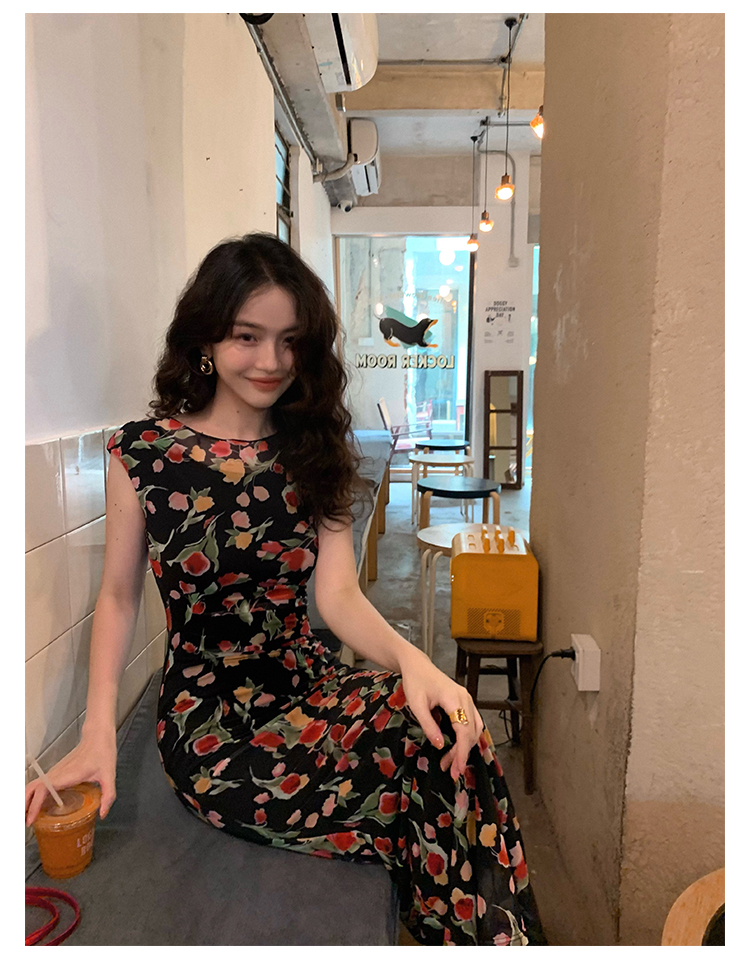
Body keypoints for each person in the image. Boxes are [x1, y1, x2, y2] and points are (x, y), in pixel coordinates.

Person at [25, 233, 545, 946]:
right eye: (248, 336)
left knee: (452, 731)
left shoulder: (313, 449)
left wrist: (414, 662)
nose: (270, 361)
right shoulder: (142, 454)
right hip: (212, 727)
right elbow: (117, 597)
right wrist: (97, 731)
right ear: (206, 338)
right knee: (428, 781)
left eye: (290, 340)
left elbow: (338, 596)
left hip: (306, 687)